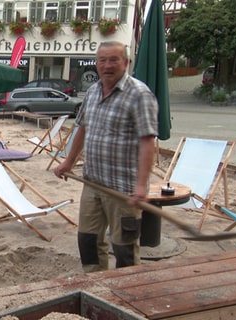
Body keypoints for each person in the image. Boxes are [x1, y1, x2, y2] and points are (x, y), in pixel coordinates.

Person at [54, 41, 158, 273]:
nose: (107, 65)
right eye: (102, 60)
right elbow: (82, 128)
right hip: (92, 183)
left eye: (114, 60)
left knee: (124, 249)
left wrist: (141, 186)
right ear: (97, 63)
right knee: (88, 241)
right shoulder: (92, 92)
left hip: (123, 189)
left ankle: (127, 291)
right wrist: (69, 162)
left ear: (126, 63)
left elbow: (147, 142)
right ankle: (95, 288)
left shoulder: (140, 95)